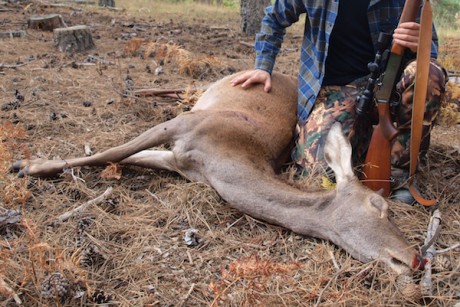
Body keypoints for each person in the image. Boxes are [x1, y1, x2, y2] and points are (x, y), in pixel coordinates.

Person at [231, 0, 447, 203]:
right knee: (318, 175)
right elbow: (274, 18)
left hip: (393, 86)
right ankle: (364, 137)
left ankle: (401, 172)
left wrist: (420, 43)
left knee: (429, 74)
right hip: (339, 88)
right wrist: (262, 65)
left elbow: (431, 48)